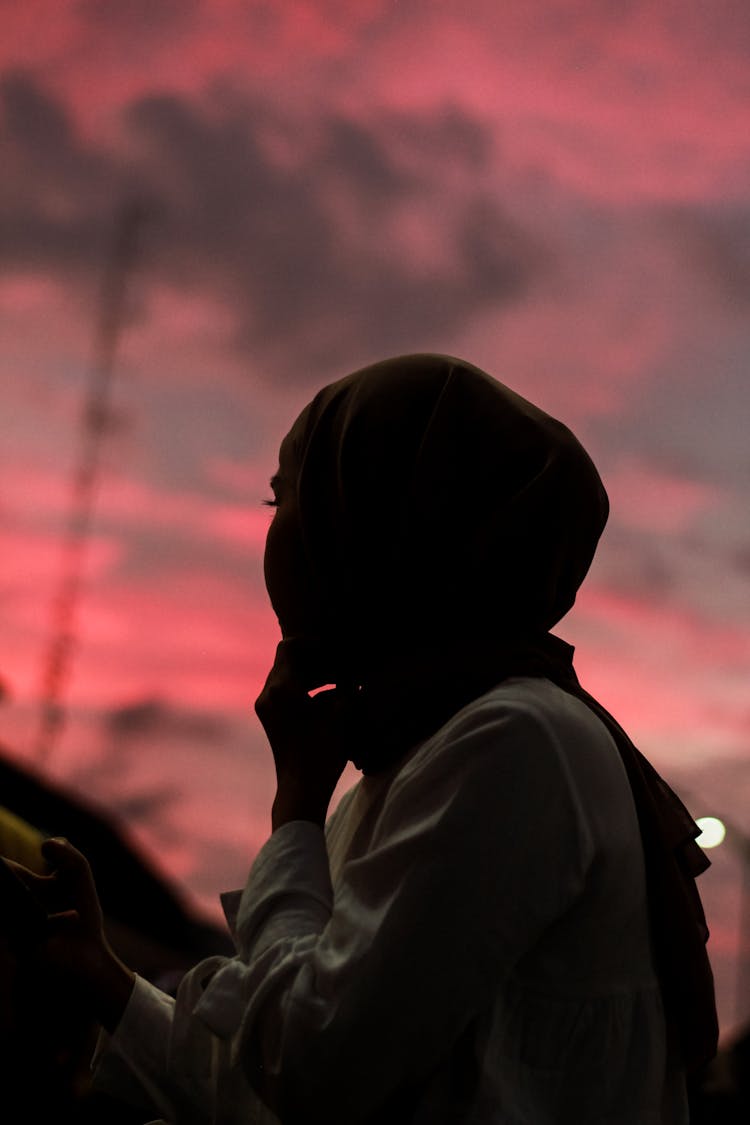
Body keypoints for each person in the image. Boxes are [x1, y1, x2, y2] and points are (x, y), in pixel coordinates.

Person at [6, 355, 717, 1123]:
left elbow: (315, 1068)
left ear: (376, 519)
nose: (274, 537)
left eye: (285, 497)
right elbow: (274, 1084)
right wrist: (102, 976)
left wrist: (297, 816)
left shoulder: (516, 743)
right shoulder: (427, 753)